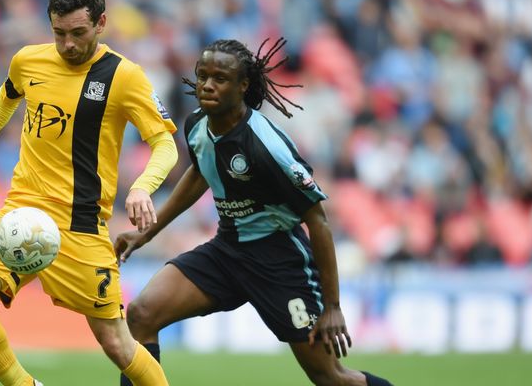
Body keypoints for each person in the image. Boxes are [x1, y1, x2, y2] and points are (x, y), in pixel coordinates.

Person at [116, 38, 393, 386]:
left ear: (243, 85)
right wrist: (146, 233)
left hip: (279, 260)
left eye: (220, 78)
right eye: (202, 76)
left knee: (331, 378)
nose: (207, 85)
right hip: (227, 250)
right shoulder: (197, 124)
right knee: (142, 314)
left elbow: (318, 221)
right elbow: (200, 173)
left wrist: (333, 307)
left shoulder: (266, 146)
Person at [0, 0, 176, 386]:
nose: (68, 44)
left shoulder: (125, 76)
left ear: (101, 23)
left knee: (117, 344)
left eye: (78, 33)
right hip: (22, 214)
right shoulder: (28, 60)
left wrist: (142, 186)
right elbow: (5, 97)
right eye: (59, 33)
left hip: (80, 226)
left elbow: (164, 144)